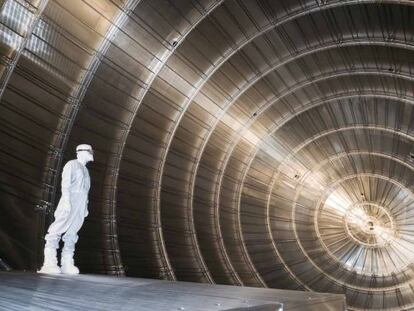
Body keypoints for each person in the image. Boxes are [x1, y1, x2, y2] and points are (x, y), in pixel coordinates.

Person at [38, 144, 94, 274]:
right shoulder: (71, 164)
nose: (91, 153)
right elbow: (65, 184)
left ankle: (67, 262)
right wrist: (67, 202)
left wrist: (85, 206)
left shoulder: (86, 170)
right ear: (80, 152)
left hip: (80, 205)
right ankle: (49, 261)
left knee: (72, 232)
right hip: (70, 201)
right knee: (58, 228)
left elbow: (86, 190)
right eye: (89, 151)